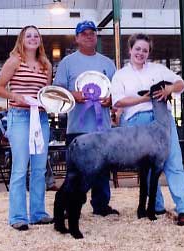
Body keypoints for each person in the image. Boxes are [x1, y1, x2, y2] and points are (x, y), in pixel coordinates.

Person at [111, 33, 184, 225]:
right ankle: (155, 205)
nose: (141, 53)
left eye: (145, 50)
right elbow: (118, 101)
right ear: (130, 50)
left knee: (173, 162)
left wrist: (169, 90)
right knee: (147, 168)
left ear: (149, 53)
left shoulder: (158, 69)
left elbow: (181, 83)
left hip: (163, 119)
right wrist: (145, 98)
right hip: (137, 121)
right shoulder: (120, 74)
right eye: (137, 49)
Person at [53, 20, 119, 216]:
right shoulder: (67, 62)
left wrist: (110, 100)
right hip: (77, 127)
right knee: (76, 170)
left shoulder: (108, 63)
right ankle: (70, 206)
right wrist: (75, 94)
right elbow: (58, 91)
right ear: (77, 38)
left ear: (96, 37)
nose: (89, 36)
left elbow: (117, 91)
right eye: (85, 33)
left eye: (93, 33)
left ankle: (101, 205)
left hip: (103, 128)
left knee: (102, 169)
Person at [0, 25, 53, 231]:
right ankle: (18, 216)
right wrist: (16, 97)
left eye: (36, 36)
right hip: (19, 117)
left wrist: (52, 103)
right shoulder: (14, 61)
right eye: (28, 35)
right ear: (22, 39)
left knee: (39, 167)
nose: (32, 38)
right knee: (20, 168)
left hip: (41, 117)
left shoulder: (46, 64)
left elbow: (46, 92)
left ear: (40, 40)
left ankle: (38, 213)